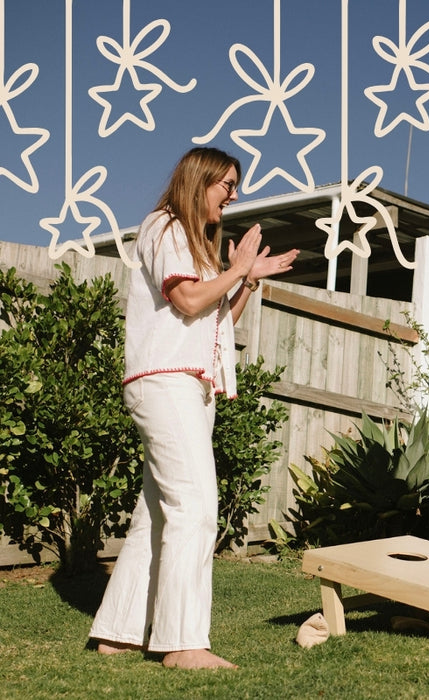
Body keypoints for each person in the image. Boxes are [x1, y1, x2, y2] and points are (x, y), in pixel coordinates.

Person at [88, 147, 299, 669]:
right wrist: (238, 269)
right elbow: (185, 299)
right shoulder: (164, 227)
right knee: (196, 509)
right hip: (166, 382)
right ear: (198, 180)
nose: (233, 196)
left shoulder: (193, 243)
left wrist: (245, 279)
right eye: (227, 184)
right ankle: (181, 644)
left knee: (158, 513)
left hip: (188, 386)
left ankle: (118, 632)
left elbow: (215, 319)